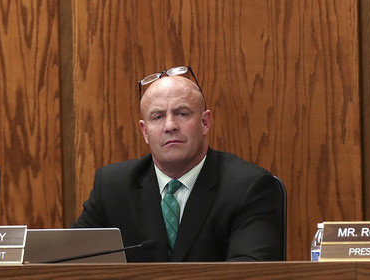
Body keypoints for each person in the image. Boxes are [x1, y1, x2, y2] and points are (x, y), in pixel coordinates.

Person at [73, 66, 285, 262]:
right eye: (157, 117)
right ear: (145, 132)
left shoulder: (249, 188)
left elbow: (249, 278)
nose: (170, 126)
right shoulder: (113, 187)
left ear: (205, 122)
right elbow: (67, 263)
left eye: (182, 113)